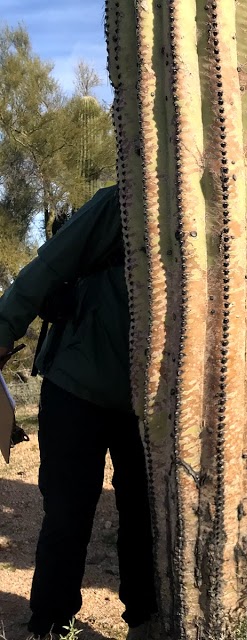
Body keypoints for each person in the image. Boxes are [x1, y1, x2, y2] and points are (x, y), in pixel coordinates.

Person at [0, 186, 157, 639]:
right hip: (77, 386)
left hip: (147, 402)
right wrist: (4, 325)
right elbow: (49, 265)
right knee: (68, 513)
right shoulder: (123, 202)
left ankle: (145, 619)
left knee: (144, 515)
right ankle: (51, 622)